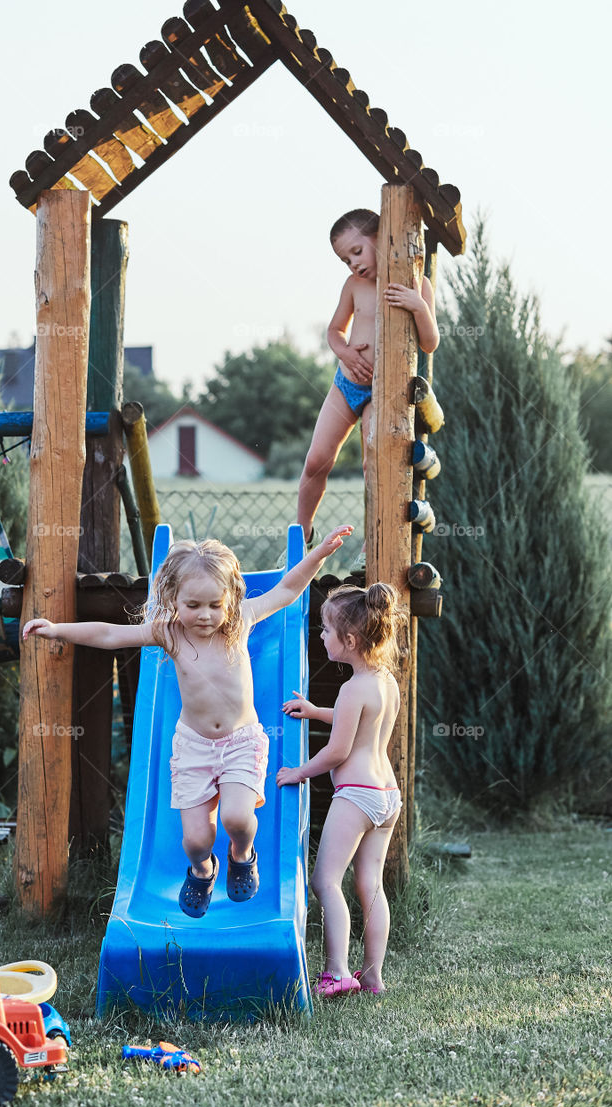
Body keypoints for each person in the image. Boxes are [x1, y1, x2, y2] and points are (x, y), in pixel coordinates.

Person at [23, 526, 353, 918]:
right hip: (193, 747)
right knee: (195, 840)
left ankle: (242, 854)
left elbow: (286, 590)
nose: (205, 615)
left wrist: (320, 555)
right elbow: (111, 633)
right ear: (174, 599)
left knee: (237, 817)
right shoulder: (170, 634)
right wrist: (57, 629)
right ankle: (202, 870)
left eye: (215, 604)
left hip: (240, 743)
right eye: (193, 604)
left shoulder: (241, 620)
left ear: (231, 598)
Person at [277, 581, 404, 998]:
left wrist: (299, 772)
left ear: (349, 641)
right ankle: (373, 977)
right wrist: (316, 711)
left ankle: (335, 973)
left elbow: (338, 751)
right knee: (370, 885)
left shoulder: (352, 688)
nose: (321, 636)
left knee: (325, 881)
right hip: (387, 794)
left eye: (326, 631)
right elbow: (360, 722)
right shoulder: (384, 680)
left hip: (356, 794)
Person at [297, 207, 439, 547]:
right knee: (317, 460)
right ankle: (301, 538)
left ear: (381, 237)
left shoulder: (416, 283)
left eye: (356, 252)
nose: (353, 264)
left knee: (373, 465)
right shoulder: (354, 285)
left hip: (383, 392)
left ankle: (374, 545)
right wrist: (345, 352)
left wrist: (417, 305)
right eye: (345, 259)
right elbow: (334, 331)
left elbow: (429, 343)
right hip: (346, 385)